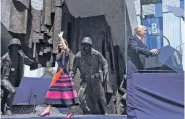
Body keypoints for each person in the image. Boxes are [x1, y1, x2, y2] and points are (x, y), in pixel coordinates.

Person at [38, 32, 79, 119]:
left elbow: (65, 48)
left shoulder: (66, 53)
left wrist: (61, 37)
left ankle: (70, 112)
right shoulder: (59, 54)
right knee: (52, 92)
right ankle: (47, 109)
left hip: (64, 75)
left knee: (66, 94)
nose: (60, 44)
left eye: (62, 43)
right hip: (58, 75)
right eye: (59, 43)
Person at [71, 37, 112, 114]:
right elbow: (73, 69)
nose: (85, 47)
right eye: (84, 45)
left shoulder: (96, 54)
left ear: (90, 46)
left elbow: (104, 62)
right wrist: (70, 76)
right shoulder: (78, 56)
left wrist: (105, 70)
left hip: (95, 79)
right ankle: (88, 113)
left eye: (87, 45)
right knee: (81, 97)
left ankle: (105, 112)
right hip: (85, 80)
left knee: (101, 97)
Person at [126, 25, 159, 119]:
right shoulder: (133, 39)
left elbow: (144, 53)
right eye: (144, 30)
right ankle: (131, 111)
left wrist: (153, 53)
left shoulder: (142, 42)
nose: (146, 31)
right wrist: (149, 51)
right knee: (132, 89)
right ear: (138, 31)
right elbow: (136, 49)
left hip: (140, 68)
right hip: (133, 68)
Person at [1, 38, 34, 115]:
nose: (15, 48)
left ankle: (3, 110)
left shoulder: (20, 56)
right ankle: (9, 109)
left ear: (18, 47)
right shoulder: (5, 56)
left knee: (6, 95)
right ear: (10, 46)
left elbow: (28, 60)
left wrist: (34, 63)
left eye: (16, 46)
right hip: (4, 79)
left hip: (13, 79)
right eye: (13, 46)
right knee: (12, 91)